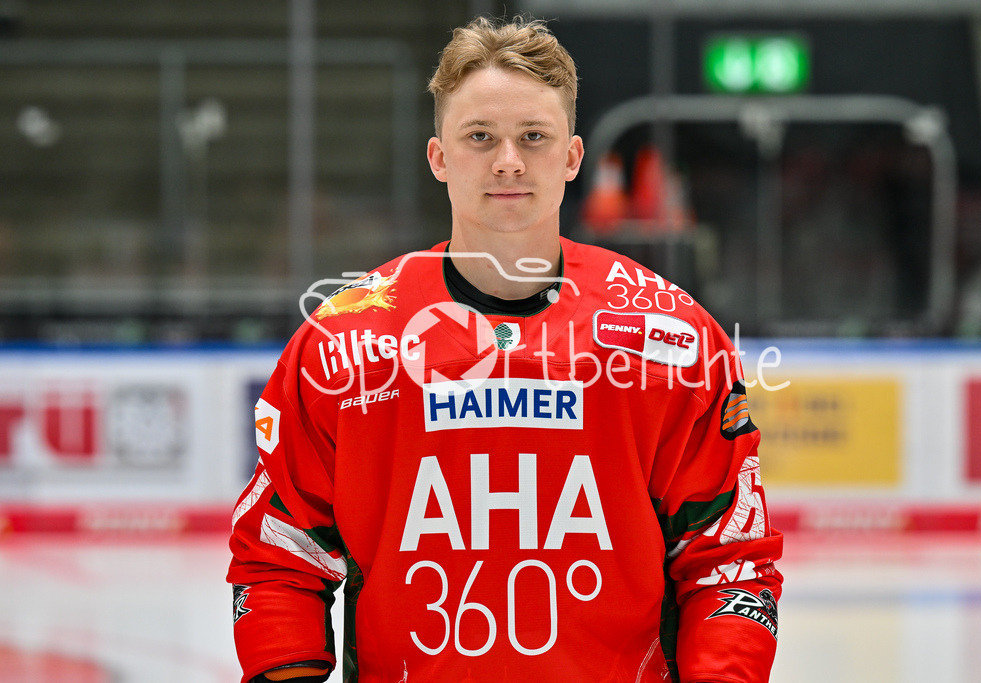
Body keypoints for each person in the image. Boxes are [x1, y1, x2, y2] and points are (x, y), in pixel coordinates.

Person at [228, 16, 783, 683]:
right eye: (480, 137)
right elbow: (277, 559)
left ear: (573, 157)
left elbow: (731, 561)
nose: (509, 161)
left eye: (534, 137)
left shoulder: (672, 336)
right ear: (438, 157)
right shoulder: (343, 341)